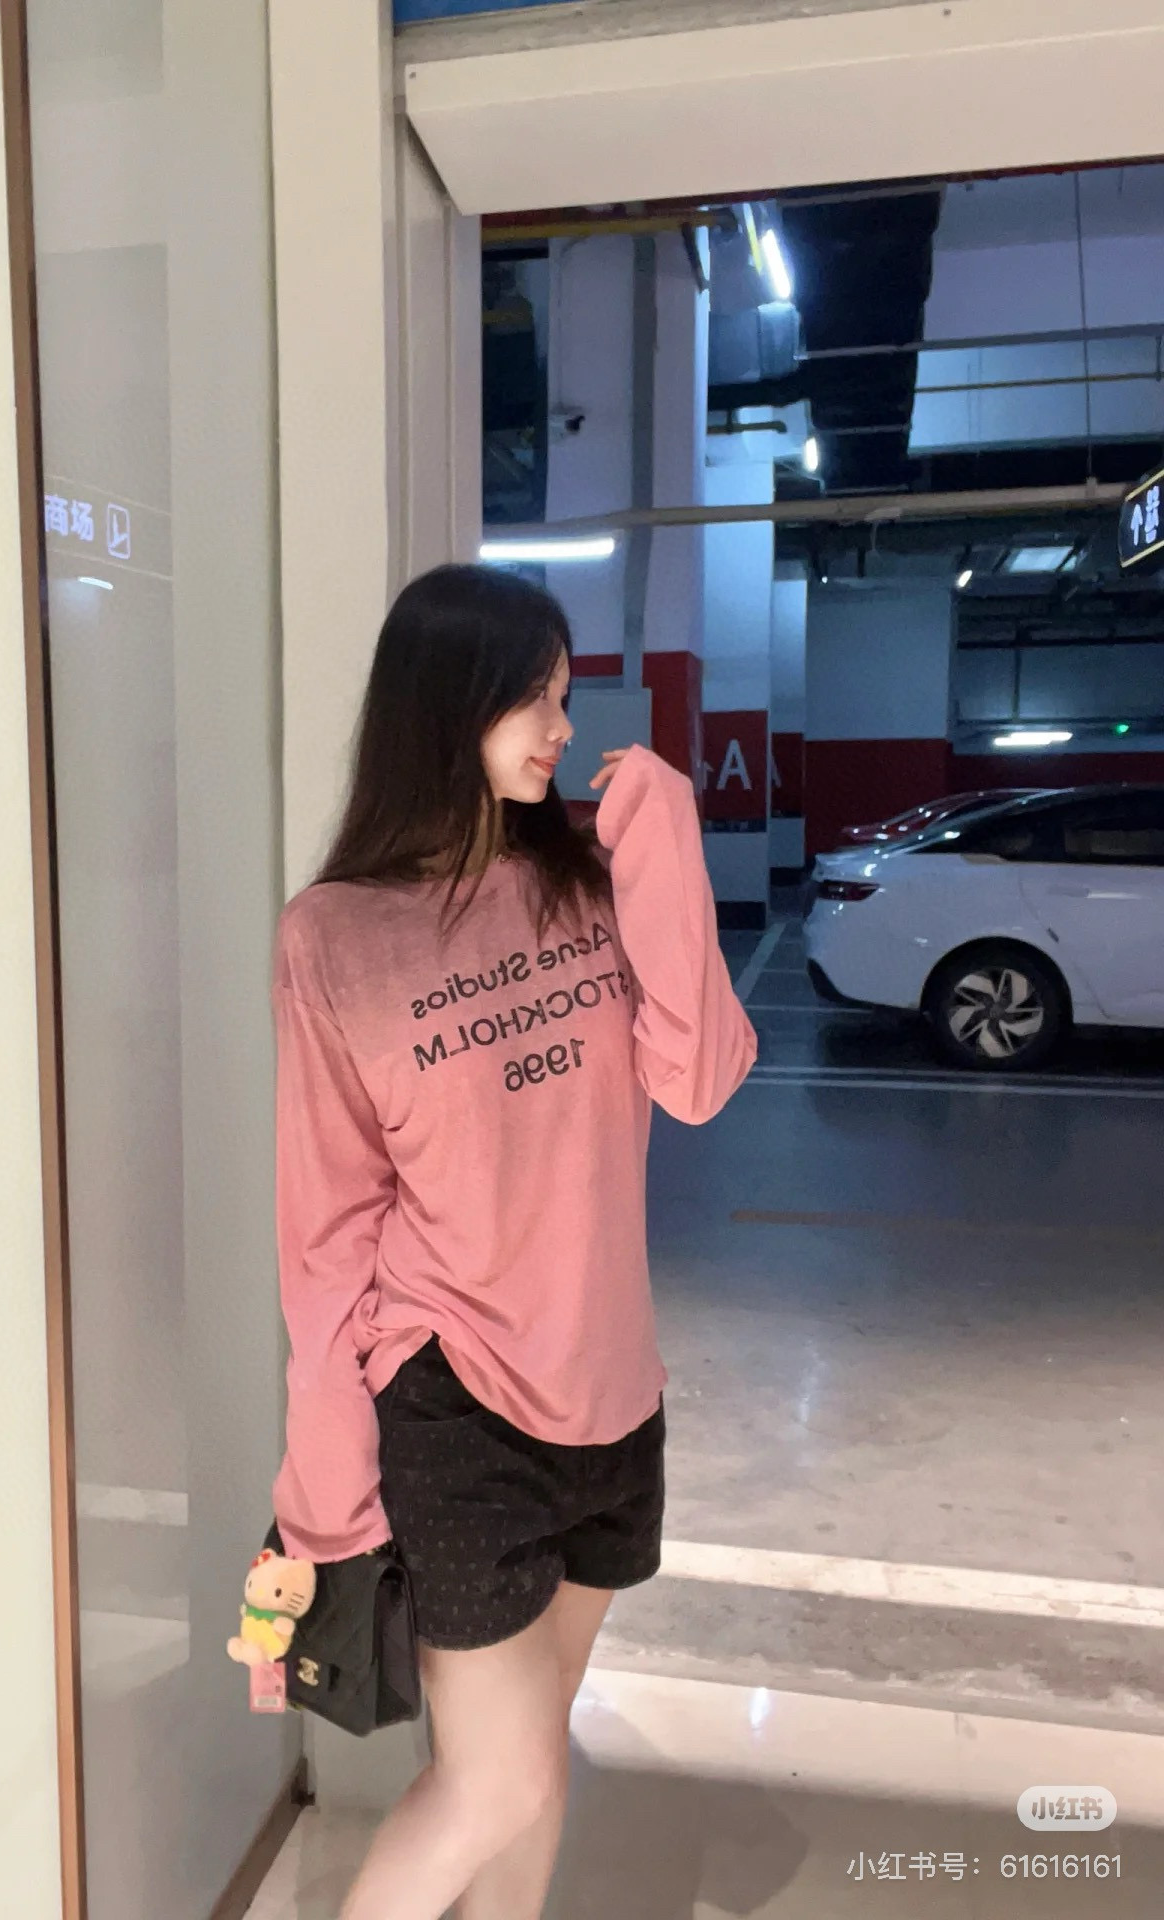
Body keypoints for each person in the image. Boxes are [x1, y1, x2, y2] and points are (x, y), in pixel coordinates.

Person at [263, 563, 758, 1920]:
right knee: (502, 1780)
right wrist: (325, 1477)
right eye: (532, 698)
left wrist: (665, 850)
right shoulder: (335, 936)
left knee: (533, 1767)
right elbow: (325, 1226)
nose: (562, 725)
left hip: (612, 1389)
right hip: (454, 1398)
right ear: (447, 703)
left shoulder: (586, 877)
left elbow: (700, 1077)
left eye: (564, 694)